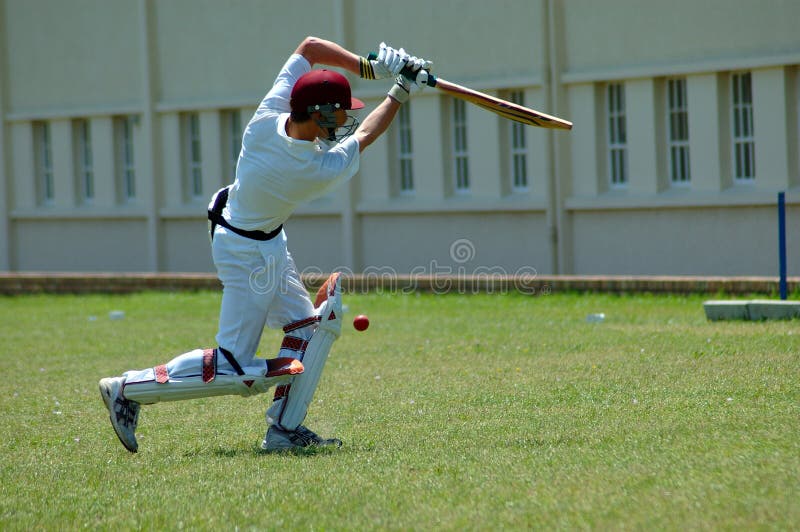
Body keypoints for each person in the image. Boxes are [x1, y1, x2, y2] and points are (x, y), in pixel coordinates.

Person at [99, 36, 430, 453]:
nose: (346, 117)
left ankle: (283, 432)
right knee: (236, 368)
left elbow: (309, 47)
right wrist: (398, 92)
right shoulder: (311, 168)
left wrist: (369, 67)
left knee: (312, 326)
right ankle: (127, 389)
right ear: (319, 113)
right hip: (246, 254)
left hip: (256, 235)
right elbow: (365, 134)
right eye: (340, 111)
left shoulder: (268, 114)